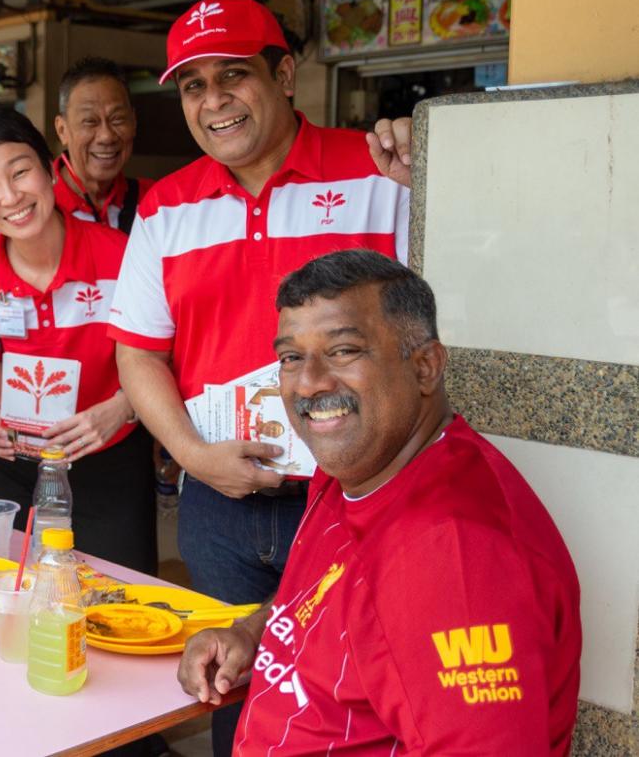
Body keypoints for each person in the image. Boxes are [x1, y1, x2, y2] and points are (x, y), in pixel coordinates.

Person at [108, 0, 412, 753]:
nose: (214, 102)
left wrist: (431, 167)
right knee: (231, 688)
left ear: (284, 74)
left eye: (233, 75)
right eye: (193, 85)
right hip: (220, 498)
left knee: (359, 683)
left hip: (356, 496)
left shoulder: (379, 173)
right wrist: (190, 455)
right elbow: (139, 350)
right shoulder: (167, 208)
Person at [178, 249, 582, 755]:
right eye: (290, 357)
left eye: (344, 351)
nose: (309, 382)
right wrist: (251, 631)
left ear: (425, 367)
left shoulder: (450, 557)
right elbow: (325, 595)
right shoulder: (354, 467)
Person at [0, 103, 156, 574]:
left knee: (117, 596)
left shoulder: (121, 256)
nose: (11, 196)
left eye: (20, 172)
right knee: (13, 587)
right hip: (17, 464)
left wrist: (123, 407)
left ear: (49, 170)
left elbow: (158, 354)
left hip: (108, 458)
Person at [52, 56, 152, 235]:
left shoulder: (156, 202)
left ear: (134, 122)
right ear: (62, 130)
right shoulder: (35, 209)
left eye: (117, 119)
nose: (106, 136)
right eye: (90, 121)